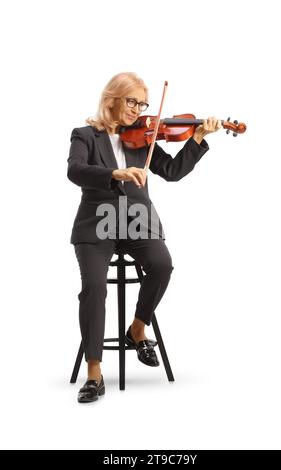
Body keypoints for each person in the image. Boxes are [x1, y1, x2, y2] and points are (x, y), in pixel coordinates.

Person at [67, 72, 221, 403]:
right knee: (94, 286)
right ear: (112, 99)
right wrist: (113, 174)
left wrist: (197, 138)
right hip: (96, 223)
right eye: (132, 101)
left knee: (162, 265)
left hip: (138, 221)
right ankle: (94, 372)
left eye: (142, 103)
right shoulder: (85, 136)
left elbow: (173, 172)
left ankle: (137, 328)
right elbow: (75, 171)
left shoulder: (142, 137)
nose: (138, 109)